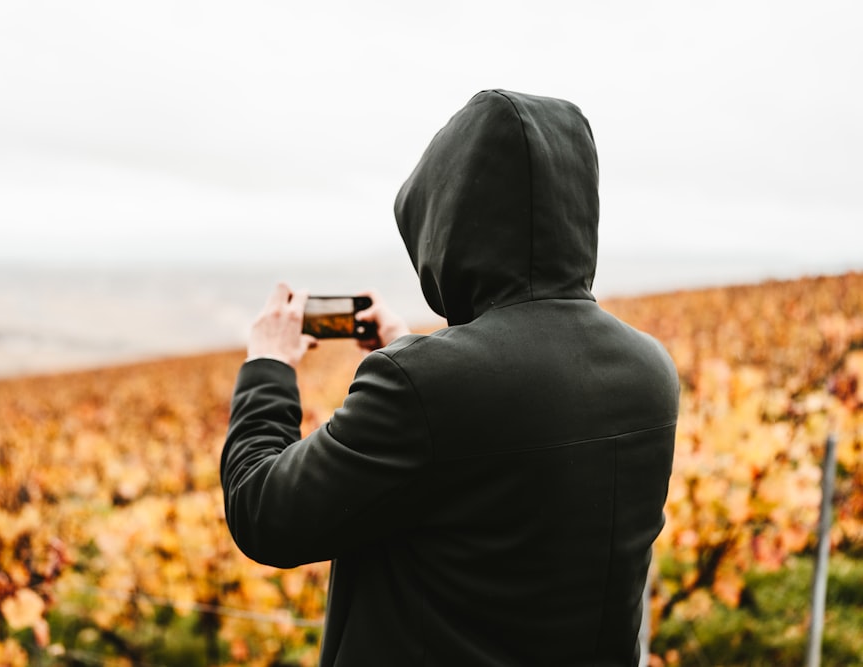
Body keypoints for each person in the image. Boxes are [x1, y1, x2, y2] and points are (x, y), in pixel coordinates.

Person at [221, 89, 679, 666]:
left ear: (449, 225)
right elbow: (495, 438)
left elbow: (263, 514)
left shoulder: (426, 389)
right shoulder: (651, 369)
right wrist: (406, 347)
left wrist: (268, 366)